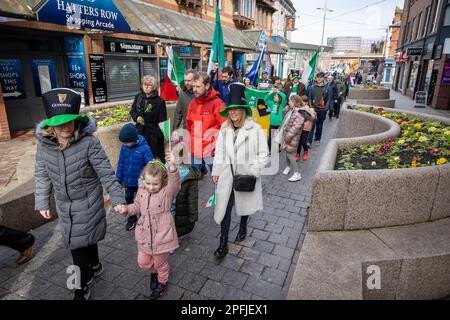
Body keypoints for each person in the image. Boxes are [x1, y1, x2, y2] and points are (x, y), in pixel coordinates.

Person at [35, 88, 125, 300]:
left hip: (89, 202)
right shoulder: (44, 147)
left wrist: (118, 198)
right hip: (64, 206)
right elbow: (42, 175)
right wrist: (41, 201)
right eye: (60, 122)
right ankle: (94, 265)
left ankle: (80, 287)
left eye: (70, 121)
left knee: (76, 247)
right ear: (50, 125)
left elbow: (105, 172)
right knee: (84, 240)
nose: (66, 126)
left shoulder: (89, 143)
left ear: (77, 121)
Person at [211, 83, 269, 258]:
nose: (232, 113)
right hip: (227, 175)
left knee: (244, 205)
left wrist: (252, 170)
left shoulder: (255, 130)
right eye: (230, 110)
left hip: (246, 175)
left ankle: (243, 225)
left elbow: (264, 154)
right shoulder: (224, 128)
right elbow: (220, 151)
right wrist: (216, 171)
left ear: (243, 110)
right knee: (225, 208)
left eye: (236, 109)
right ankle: (223, 242)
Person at [117, 152, 180, 300]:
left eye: (155, 184)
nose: (151, 187)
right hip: (145, 234)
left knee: (161, 263)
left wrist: (172, 167)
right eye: (148, 183)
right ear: (143, 181)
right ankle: (155, 272)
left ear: (163, 182)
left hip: (162, 235)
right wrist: (126, 209)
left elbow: (175, 184)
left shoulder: (166, 192)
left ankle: (162, 283)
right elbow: (137, 207)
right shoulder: (142, 191)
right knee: (143, 262)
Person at [186, 72, 226, 174]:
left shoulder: (218, 104)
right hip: (196, 150)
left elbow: (226, 127)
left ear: (207, 85)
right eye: (193, 86)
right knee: (193, 181)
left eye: (198, 86)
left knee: (218, 180)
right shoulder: (192, 104)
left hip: (212, 151)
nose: (194, 89)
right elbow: (189, 126)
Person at [116, 123, 154, 231]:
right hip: (128, 181)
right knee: (128, 199)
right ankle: (131, 219)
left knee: (142, 201)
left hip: (140, 183)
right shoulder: (124, 147)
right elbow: (121, 163)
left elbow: (151, 165)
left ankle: (143, 219)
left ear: (134, 138)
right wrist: (118, 178)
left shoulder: (145, 148)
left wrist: (149, 179)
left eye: (127, 142)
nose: (126, 144)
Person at [130, 76, 167, 162]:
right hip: (140, 131)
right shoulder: (138, 97)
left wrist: (158, 136)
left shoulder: (160, 101)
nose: (146, 87)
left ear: (154, 87)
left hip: (153, 133)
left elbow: (162, 121)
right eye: (144, 84)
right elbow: (132, 111)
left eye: (149, 85)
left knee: (153, 157)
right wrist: (136, 118)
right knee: (140, 156)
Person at [280, 95, 311, 182]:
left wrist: (288, 136)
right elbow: (284, 119)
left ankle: (297, 174)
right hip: (287, 134)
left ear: (295, 102)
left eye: (290, 101)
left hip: (292, 137)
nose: (289, 102)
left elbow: (296, 127)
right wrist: (285, 110)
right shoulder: (292, 110)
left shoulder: (300, 112)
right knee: (286, 151)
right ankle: (288, 167)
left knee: (290, 154)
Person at [307, 72, 329, 145]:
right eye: (318, 77)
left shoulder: (327, 87)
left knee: (319, 126)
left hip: (322, 110)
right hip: (314, 109)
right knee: (311, 125)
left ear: (323, 78)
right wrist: (311, 107)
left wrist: (325, 109)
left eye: (321, 77)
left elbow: (329, 99)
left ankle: (317, 139)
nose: (319, 78)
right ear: (316, 78)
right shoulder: (312, 87)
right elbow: (309, 98)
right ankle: (309, 141)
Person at [264, 87, 287, 151]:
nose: (274, 97)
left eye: (275, 96)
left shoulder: (282, 104)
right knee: (270, 138)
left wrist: (277, 91)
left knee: (278, 137)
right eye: (274, 96)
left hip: (279, 124)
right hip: (272, 123)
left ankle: (277, 148)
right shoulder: (272, 104)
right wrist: (270, 93)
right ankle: (269, 150)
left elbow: (284, 96)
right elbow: (265, 99)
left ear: (279, 98)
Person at [295, 95, 316, 161]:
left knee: (303, 141)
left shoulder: (310, 109)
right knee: (298, 142)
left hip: (306, 128)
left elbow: (312, 117)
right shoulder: (298, 108)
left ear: (306, 102)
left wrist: (307, 111)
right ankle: (297, 154)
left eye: (302, 101)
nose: (301, 103)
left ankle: (305, 151)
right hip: (299, 127)